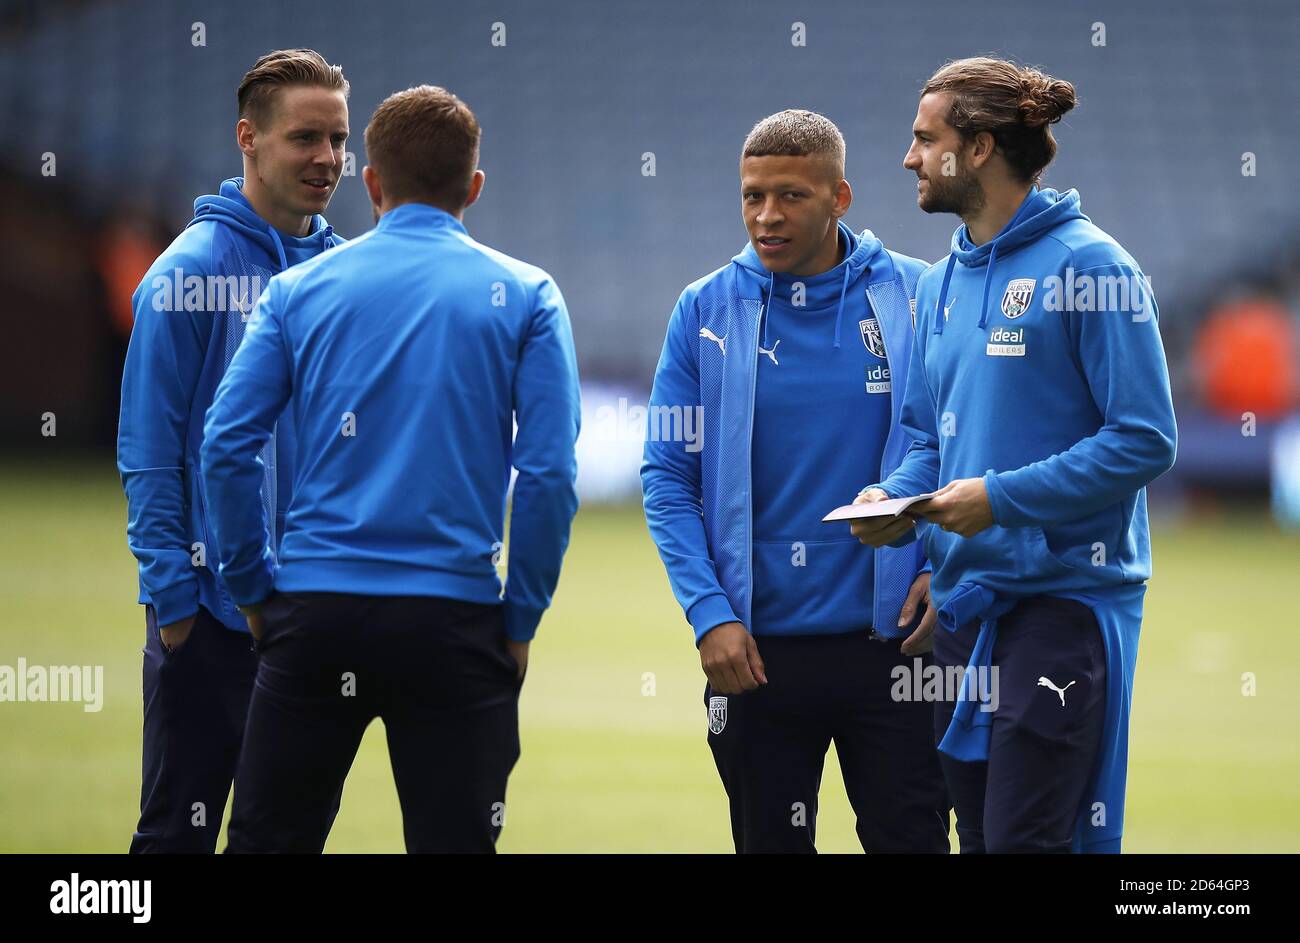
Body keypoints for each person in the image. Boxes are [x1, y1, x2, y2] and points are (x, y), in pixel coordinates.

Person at [202, 85, 581, 853]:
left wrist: (251, 584)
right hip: (454, 617)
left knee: (268, 839)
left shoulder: (295, 290)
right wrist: (521, 614)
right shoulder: (529, 295)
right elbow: (546, 475)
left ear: (370, 182)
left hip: (313, 610)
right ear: (473, 188)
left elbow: (225, 445)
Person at [853, 57, 1177, 853]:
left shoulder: (1094, 267)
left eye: (926, 139)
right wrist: (895, 502)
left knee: (1028, 843)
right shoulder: (938, 285)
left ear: (980, 148)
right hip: (964, 615)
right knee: (982, 839)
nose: (908, 157)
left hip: (1064, 607)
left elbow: (1144, 437)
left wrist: (996, 499)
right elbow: (930, 441)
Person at [641, 109, 949, 853]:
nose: (766, 216)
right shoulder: (705, 308)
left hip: (902, 651)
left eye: (791, 196)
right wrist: (710, 613)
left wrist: (948, 568)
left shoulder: (922, 293)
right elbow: (667, 476)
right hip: (756, 654)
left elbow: (958, 446)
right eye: (752, 196)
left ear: (840, 198)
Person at [117, 48, 349, 853]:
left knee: (291, 836)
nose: (327, 159)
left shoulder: (347, 274)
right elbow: (147, 454)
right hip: (210, 621)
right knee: (174, 840)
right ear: (247, 138)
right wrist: (176, 611)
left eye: (339, 140)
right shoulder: (187, 273)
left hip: (315, 617)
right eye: (305, 138)